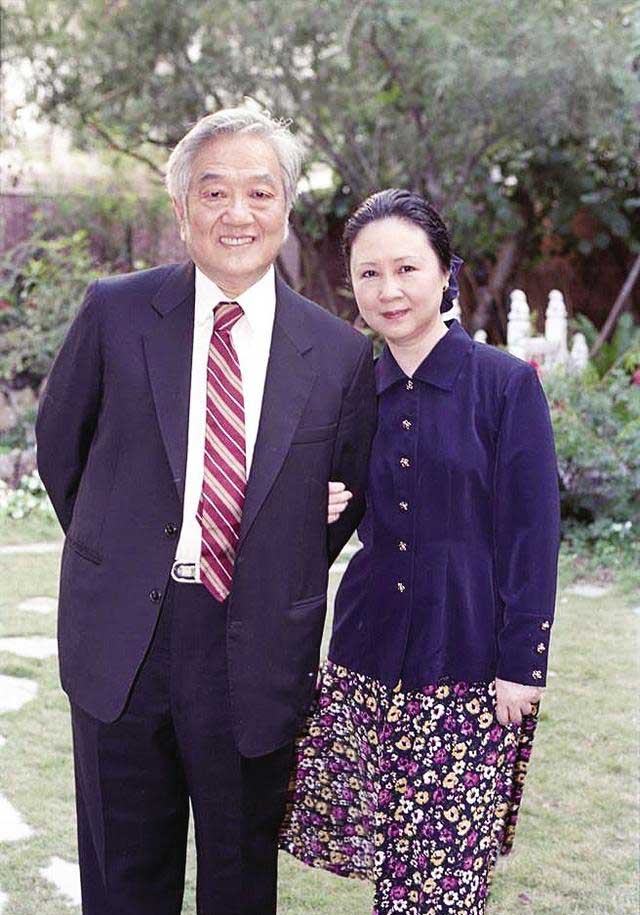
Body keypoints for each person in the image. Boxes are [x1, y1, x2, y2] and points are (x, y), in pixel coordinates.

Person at [35, 106, 377, 915]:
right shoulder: (117, 312)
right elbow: (60, 449)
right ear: (182, 208)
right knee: (124, 883)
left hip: (255, 648)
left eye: (260, 192)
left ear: (285, 208)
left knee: (240, 884)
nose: (238, 213)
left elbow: (340, 498)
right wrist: (123, 551)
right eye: (215, 191)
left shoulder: (337, 352)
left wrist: (266, 558)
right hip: (124, 640)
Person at [280, 189, 560, 914]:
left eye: (407, 268)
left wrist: (523, 663)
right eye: (369, 273)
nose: (389, 290)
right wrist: (310, 503)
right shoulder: (354, 392)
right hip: (367, 662)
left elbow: (533, 534)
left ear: (446, 273)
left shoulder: (504, 385)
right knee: (397, 869)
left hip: (467, 666)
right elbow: (331, 515)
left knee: (441, 881)